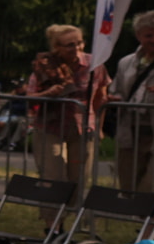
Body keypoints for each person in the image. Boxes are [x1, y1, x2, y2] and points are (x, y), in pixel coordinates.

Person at [23, 23, 105, 214]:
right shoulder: (44, 65)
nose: (76, 48)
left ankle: (67, 216)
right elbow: (29, 97)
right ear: (56, 47)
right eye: (69, 45)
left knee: (78, 179)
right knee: (52, 178)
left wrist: (99, 126)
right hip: (50, 126)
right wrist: (48, 93)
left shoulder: (95, 64)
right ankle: (52, 224)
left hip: (83, 127)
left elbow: (101, 96)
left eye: (79, 43)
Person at [108, 11, 154, 196]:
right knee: (129, 188)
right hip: (131, 132)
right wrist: (114, 99)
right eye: (149, 35)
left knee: (153, 190)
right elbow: (116, 90)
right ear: (139, 36)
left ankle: (150, 216)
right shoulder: (126, 62)